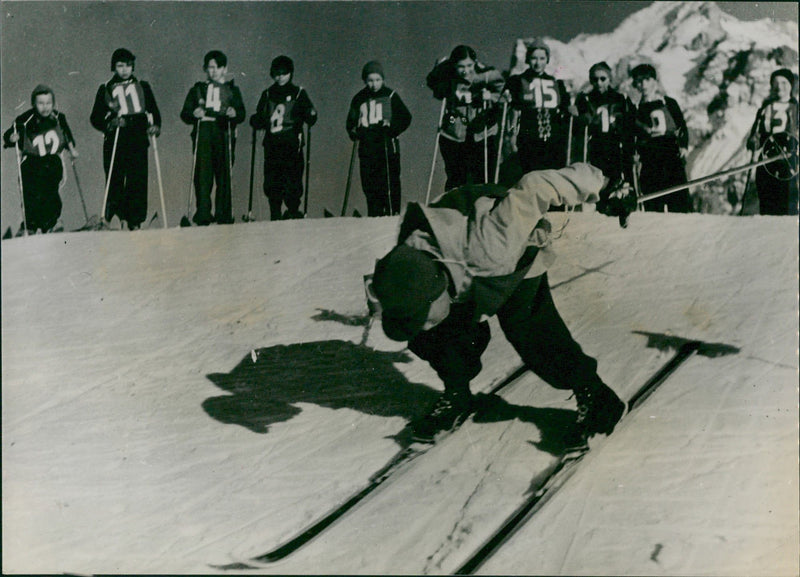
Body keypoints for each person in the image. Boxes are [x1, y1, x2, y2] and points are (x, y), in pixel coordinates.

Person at [369, 163, 632, 443]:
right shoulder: (405, 264)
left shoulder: (493, 240)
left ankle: (596, 397)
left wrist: (603, 186)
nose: (420, 322)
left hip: (513, 260)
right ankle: (457, 394)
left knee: (531, 331)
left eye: (423, 313)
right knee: (431, 335)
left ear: (437, 291)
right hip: (460, 263)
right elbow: (397, 301)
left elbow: (535, 185)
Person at [90, 48, 161, 230]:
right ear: (114, 67)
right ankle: (116, 216)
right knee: (115, 178)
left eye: (128, 66)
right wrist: (111, 122)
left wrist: (155, 126)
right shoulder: (106, 88)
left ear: (133, 67)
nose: (124, 70)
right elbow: (95, 117)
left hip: (137, 137)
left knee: (137, 178)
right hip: (116, 139)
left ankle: (134, 219)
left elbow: (153, 110)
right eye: (120, 66)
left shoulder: (142, 86)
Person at [180, 50, 246, 225]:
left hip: (224, 130)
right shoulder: (198, 89)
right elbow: (185, 113)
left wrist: (234, 112)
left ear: (224, 69)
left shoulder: (232, 89)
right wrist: (194, 112)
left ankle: (224, 214)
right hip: (205, 130)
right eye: (209, 68)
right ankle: (203, 213)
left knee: (224, 173)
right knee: (203, 173)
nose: (213, 71)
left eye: (217, 67)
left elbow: (241, 113)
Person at [426, 45, 505, 191]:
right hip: (454, 130)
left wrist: (490, 97)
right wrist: (440, 73)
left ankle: (482, 205)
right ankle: (456, 207)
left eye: (469, 65)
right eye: (460, 66)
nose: (466, 71)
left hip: (482, 131)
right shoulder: (447, 74)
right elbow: (434, 85)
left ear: (475, 62)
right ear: (454, 65)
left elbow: (503, 93)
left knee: (481, 174)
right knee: (456, 175)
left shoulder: (486, 73)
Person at [250, 55, 317, 221]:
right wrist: (256, 120)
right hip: (273, 143)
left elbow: (309, 112)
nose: (280, 77)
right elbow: (260, 114)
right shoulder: (268, 93)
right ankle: (275, 211)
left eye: (283, 73)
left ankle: (293, 209)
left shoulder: (298, 93)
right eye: (276, 74)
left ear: (290, 73)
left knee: (293, 176)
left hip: (292, 141)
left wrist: (310, 115)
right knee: (273, 178)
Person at [4, 84, 78, 234]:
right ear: (34, 104)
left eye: (48, 103)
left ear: (53, 103)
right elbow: (8, 134)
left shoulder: (58, 117)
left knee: (50, 190)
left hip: (52, 160)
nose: (45, 107)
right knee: (31, 191)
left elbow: (67, 136)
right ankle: (30, 224)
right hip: (32, 160)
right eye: (41, 103)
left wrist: (71, 148)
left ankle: (51, 222)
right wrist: (12, 138)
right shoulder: (25, 119)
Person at [346, 60, 412, 216]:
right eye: (370, 80)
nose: (374, 84)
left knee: (389, 179)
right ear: (364, 81)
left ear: (383, 80)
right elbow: (351, 120)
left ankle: (392, 211)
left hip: (386, 144)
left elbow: (406, 117)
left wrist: (392, 127)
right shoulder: (359, 98)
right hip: (367, 145)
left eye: (377, 80)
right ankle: (374, 212)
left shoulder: (390, 95)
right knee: (369, 181)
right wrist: (353, 130)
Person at [630, 63, 692, 213]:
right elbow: (633, 136)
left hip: (670, 155)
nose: (643, 84)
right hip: (650, 158)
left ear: (654, 81)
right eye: (639, 81)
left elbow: (681, 126)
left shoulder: (668, 103)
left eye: (647, 79)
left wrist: (683, 146)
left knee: (679, 202)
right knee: (653, 204)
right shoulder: (636, 110)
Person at [504, 38, 572, 173]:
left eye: (542, 58)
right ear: (528, 59)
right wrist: (512, 135)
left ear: (547, 60)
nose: (538, 63)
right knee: (531, 175)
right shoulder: (517, 81)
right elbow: (511, 108)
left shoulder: (557, 84)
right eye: (534, 58)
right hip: (528, 138)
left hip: (553, 139)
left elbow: (566, 106)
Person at [746, 68, 798, 215]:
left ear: (791, 85)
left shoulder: (797, 109)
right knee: (768, 208)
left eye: (783, 82)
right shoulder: (765, 109)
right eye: (775, 83)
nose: (779, 86)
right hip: (767, 165)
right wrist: (753, 142)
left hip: (791, 167)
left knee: (788, 209)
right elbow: (755, 134)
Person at [575, 61, 635, 182]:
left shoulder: (620, 98)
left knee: (618, 181)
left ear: (609, 79)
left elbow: (630, 124)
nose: (599, 83)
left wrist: (631, 148)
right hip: (596, 147)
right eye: (595, 79)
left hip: (616, 146)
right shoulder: (586, 99)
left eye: (603, 79)